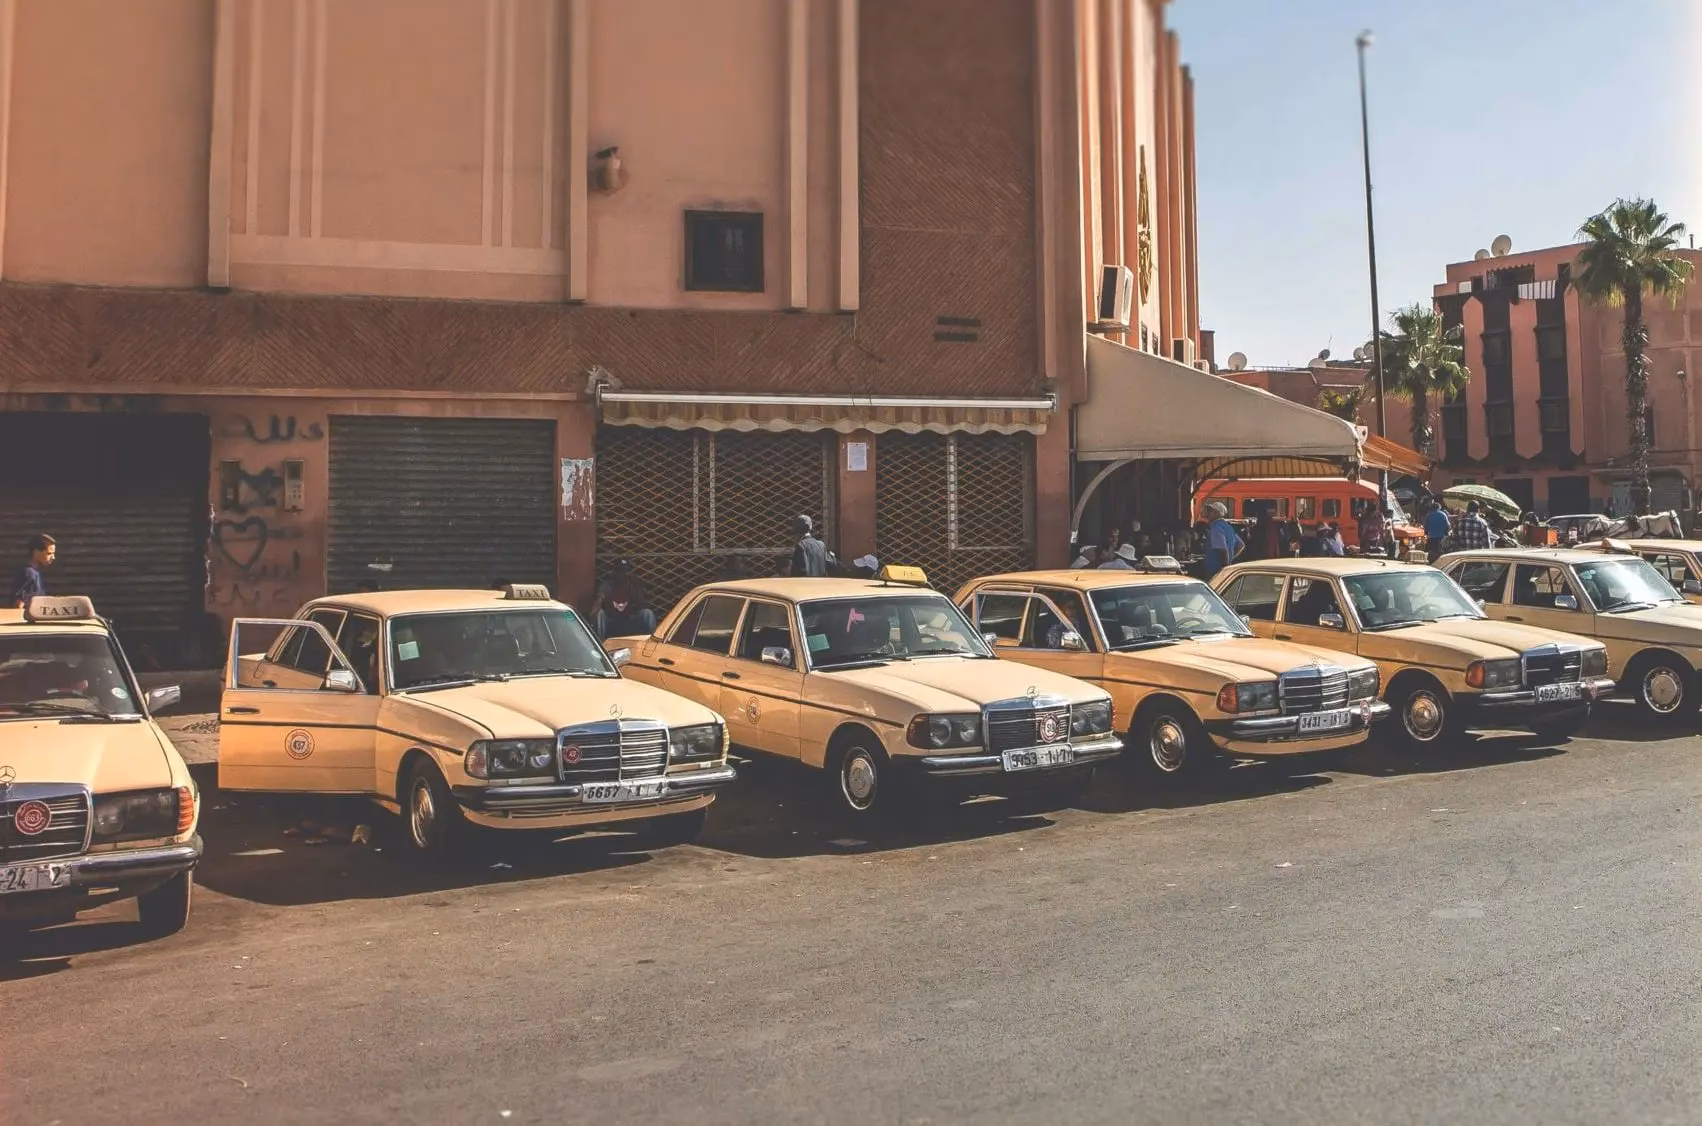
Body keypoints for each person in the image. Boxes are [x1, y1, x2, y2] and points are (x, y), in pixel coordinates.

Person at [590, 558, 656, 640]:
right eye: (620, 572)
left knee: (648, 613)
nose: (623, 575)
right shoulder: (607, 586)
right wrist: (592, 616)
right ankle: (600, 643)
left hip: (628, 622)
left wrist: (634, 593)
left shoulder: (633, 585)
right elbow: (598, 603)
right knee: (600, 614)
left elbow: (641, 604)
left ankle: (651, 643)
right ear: (614, 572)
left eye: (626, 571)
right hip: (612, 621)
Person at [10, 533, 55, 608]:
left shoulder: (35, 573)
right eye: (49, 553)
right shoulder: (30, 574)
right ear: (36, 552)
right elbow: (19, 605)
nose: (53, 557)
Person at [1203, 502, 1243, 578]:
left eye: (1210, 511)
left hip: (1216, 570)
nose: (1207, 514)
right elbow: (1241, 545)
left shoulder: (1216, 528)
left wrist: (1225, 567)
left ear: (1217, 513)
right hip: (1222, 568)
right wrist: (1231, 558)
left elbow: (1223, 550)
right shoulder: (1228, 527)